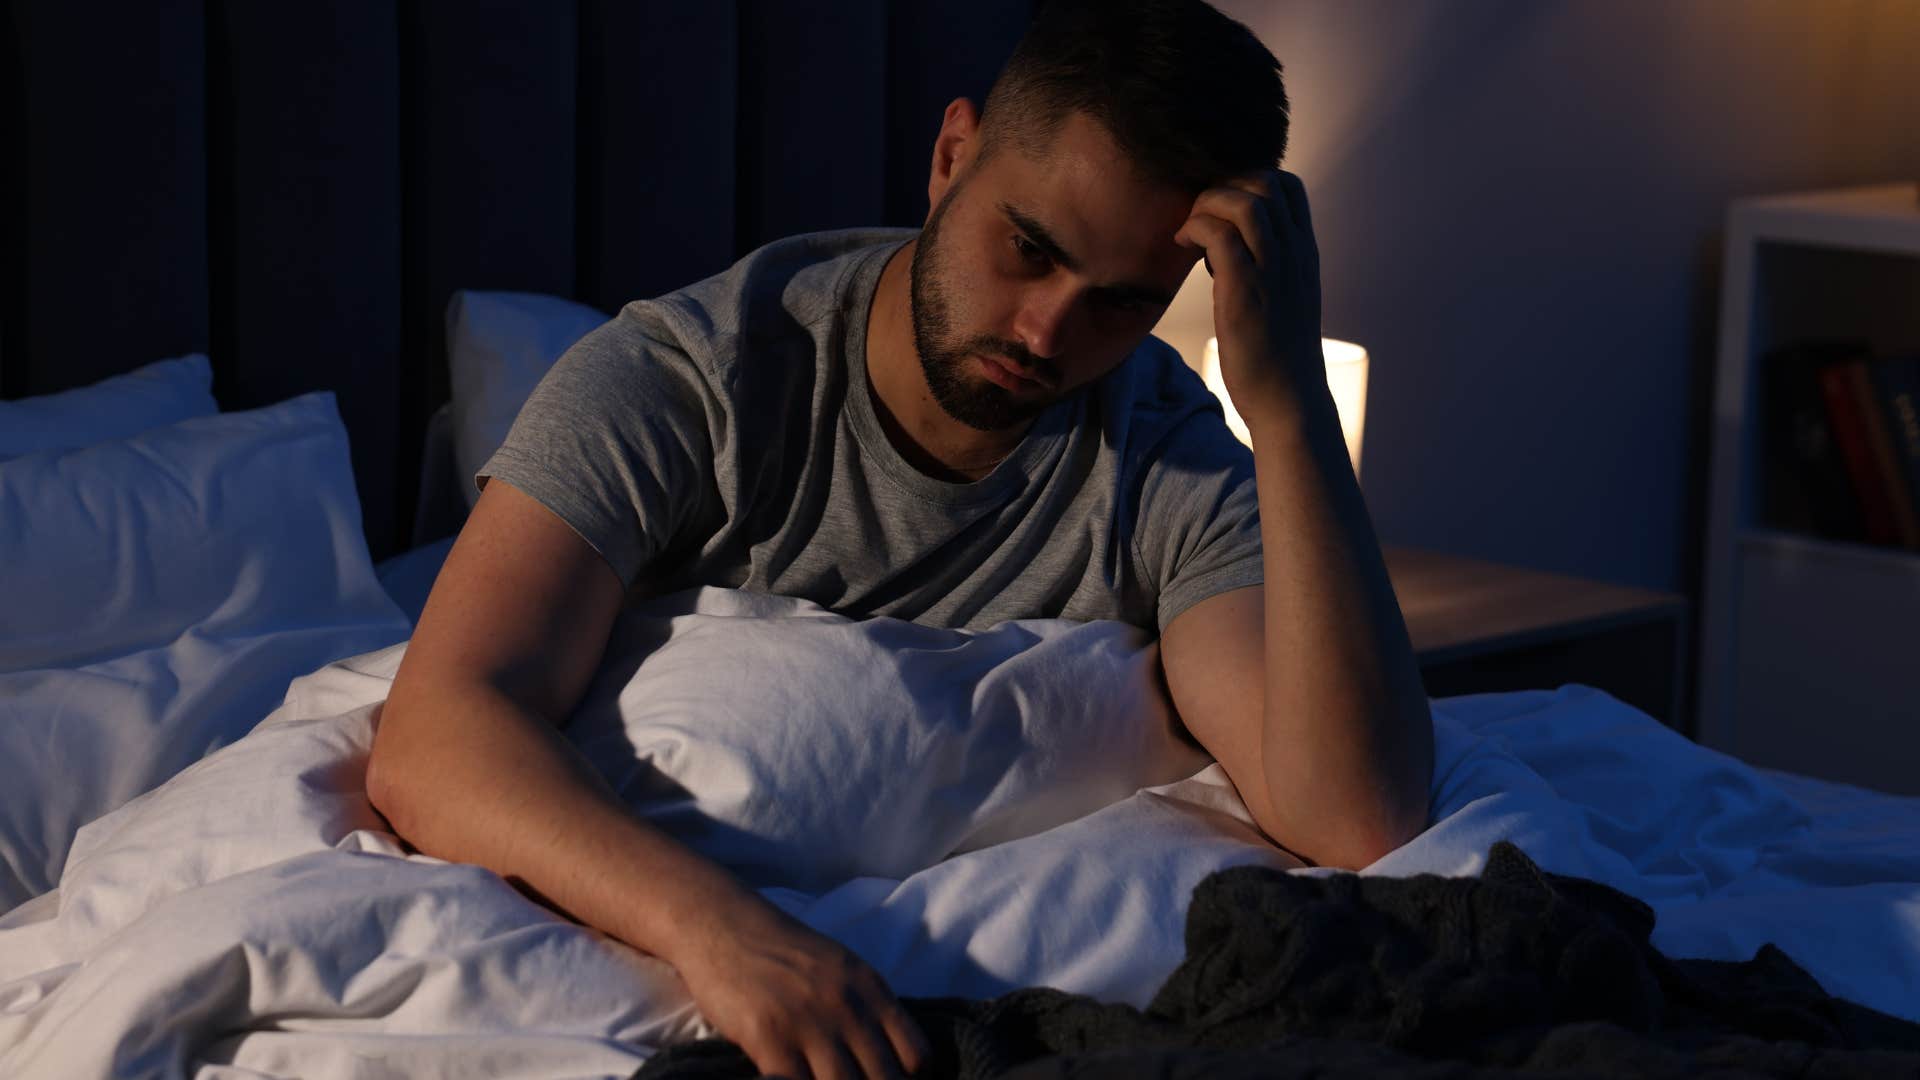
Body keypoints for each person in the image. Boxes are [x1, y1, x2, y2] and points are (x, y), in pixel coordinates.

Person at [367, 1, 1434, 1077]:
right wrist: (720, 930)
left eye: (1119, 304)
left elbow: (1352, 819)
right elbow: (437, 734)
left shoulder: (1162, 446)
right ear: (950, 155)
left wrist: (1288, 398)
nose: (1045, 333)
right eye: (1028, 250)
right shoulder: (683, 383)